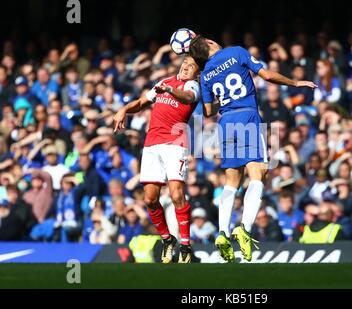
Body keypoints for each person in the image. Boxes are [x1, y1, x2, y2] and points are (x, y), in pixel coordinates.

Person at [189, 34, 316, 262]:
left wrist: (224, 98)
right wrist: (295, 83)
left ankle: (222, 232)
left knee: (231, 183)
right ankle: (245, 229)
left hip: (225, 122)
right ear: (209, 44)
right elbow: (266, 75)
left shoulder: (206, 74)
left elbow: (207, 111)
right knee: (258, 175)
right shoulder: (236, 51)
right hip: (246, 117)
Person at [113, 55, 201, 263]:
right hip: (152, 144)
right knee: (150, 199)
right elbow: (143, 102)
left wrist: (170, 91)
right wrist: (124, 109)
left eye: (192, 66)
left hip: (175, 144)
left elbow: (187, 98)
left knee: (176, 194)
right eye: (185, 63)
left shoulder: (194, 86)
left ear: (197, 72)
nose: (187, 67)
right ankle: (167, 239)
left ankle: (186, 245)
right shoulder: (164, 82)